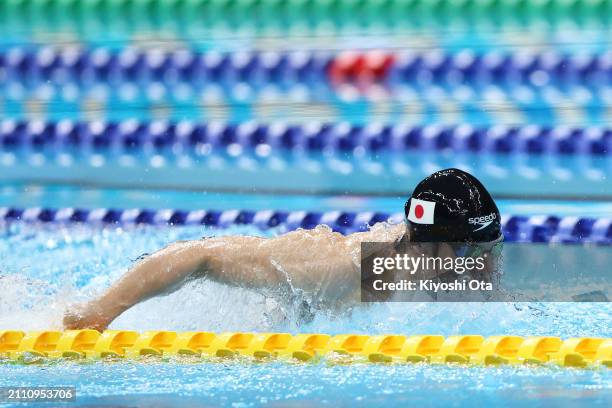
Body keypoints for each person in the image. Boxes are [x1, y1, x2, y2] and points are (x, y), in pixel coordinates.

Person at [64, 168, 504, 330]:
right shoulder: (340, 269)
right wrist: (100, 312)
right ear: (434, 247)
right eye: (470, 253)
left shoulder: (425, 260)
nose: (483, 266)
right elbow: (199, 255)